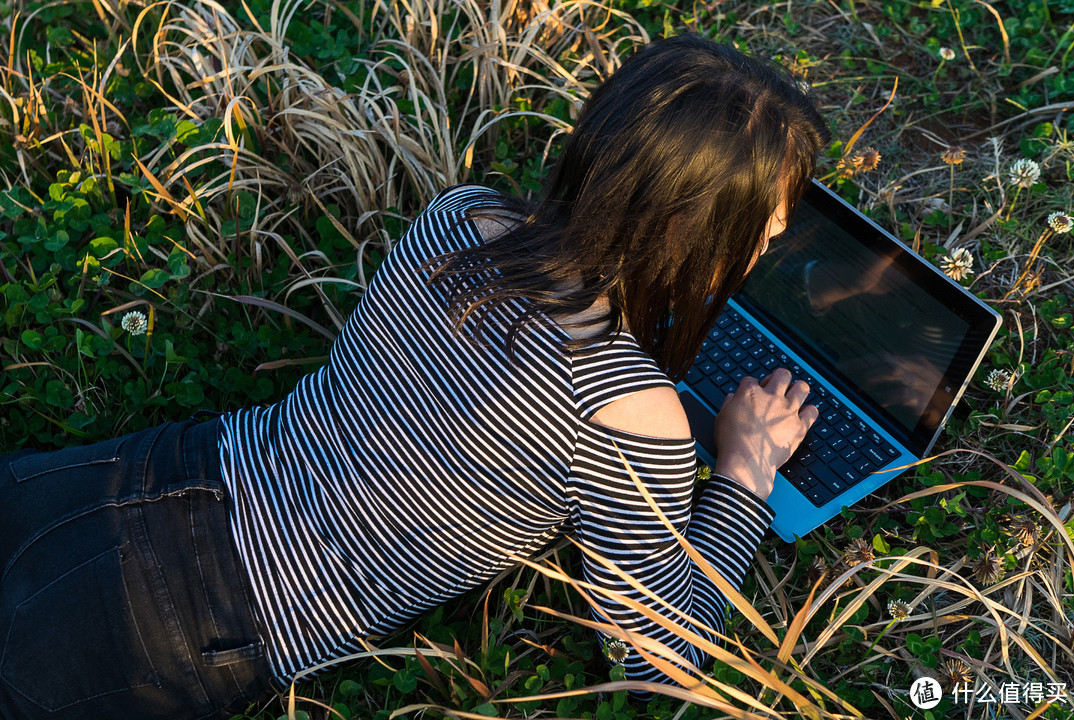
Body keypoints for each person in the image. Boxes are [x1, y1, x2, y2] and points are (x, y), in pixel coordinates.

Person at [0, 34, 828, 719]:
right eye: (765, 228)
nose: (767, 251)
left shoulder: (464, 218)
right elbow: (657, 656)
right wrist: (745, 470)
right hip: (184, 623)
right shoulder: (626, 410)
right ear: (688, 226)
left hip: (149, 475)